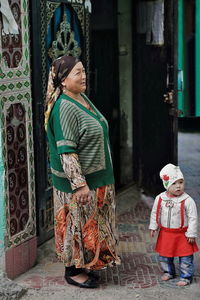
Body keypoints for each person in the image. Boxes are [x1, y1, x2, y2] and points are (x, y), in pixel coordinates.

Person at [44, 55, 120, 288]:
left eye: (83, 70)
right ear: (63, 80)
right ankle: (73, 271)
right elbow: (67, 152)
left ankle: (86, 263)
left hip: (97, 177)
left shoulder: (81, 97)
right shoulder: (64, 107)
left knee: (90, 225)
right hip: (79, 184)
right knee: (75, 226)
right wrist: (79, 185)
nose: (84, 75)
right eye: (77, 72)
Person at [149, 163, 198, 286]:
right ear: (166, 185)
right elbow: (155, 213)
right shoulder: (160, 198)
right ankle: (168, 271)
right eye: (174, 183)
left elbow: (193, 218)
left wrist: (191, 233)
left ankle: (186, 276)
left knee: (185, 257)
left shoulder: (187, 200)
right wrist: (153, 226)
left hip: (183, 234)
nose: (178, 186)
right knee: (165, 255)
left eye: (181, 182)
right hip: (166, 233)